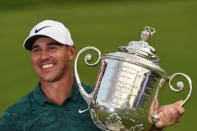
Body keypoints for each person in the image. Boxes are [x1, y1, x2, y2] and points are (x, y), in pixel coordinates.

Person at [0, 20, 184, 131]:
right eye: (36, 50)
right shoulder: (15, 117)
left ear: (71, 52)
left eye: (52, 47)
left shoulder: (104, 104)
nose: (43, 56)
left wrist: (154, 126)